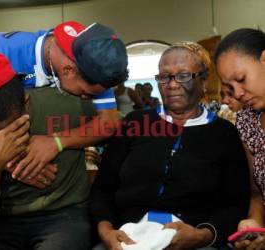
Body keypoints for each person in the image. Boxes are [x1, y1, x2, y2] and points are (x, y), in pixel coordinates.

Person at [90, 42, 250, 250]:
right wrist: (107, 232)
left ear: (203, 81)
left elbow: (235, 202)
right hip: (126, 237)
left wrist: (203, 235)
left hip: (192, 240)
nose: (172, 84)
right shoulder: (135, 123)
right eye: (164, 76)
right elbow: (102, 189)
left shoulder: (223, 133)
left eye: (183, 75)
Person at [0, 20, 128, 182]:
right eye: (85, 93)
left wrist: (57, 141)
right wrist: (13, 166)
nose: (86, 99)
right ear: (68, 70)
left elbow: (109, 122)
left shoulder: (91, 58)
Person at [0, 53, 96, 249]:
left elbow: (114, 123)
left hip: (62, 216)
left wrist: (58, 141)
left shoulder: (63, 104)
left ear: (26, 104)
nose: (4, 139)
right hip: (1, 223)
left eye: (14, 126)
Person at [214, 28, 265, 250]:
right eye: (229, 87)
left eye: (241, 79)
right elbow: (256, 194)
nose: (237, 94)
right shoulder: (247, 122)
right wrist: (254, 225)